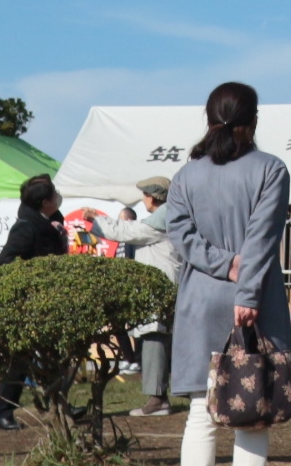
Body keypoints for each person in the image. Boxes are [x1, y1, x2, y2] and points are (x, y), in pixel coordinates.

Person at [161, 82, 291, 466]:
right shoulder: (271, 169)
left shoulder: (185, 176)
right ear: (253, 121)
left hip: (200, 302)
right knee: (252, 414)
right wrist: (246, 287)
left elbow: (180, 234)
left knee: (200, 413)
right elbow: (262, 238)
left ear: (209, 120)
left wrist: (222, 264)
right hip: (255, 301)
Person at [0, 174, 70, 431]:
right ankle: (3, 413)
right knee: (19, 360)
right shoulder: (26, 226)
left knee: (56, 357)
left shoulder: (50, 221)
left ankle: (61, 408)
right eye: (53, 195)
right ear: (44, 202)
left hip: (49, 300)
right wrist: (36, 275)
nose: (58, 198)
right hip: (28, 303)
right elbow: (7, 260)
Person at [96, 177, 178, 417]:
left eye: (144, 195)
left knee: (154, 340)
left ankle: (157, 399)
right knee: (162, 340)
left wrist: (95, 219)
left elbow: (125, 231)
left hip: (160, 290)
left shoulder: (161, 220)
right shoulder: (172, 215)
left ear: (151, 197)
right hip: (168, 287)